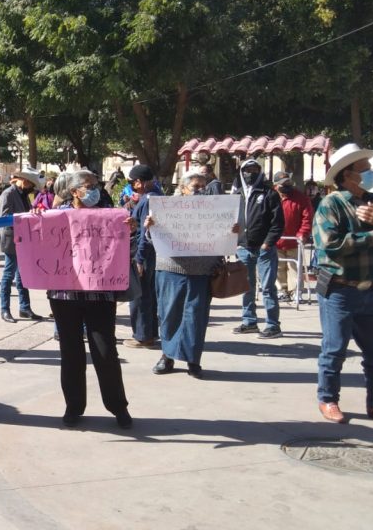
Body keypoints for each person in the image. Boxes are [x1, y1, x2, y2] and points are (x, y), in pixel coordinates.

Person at [312, 143, 373, 424]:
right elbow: (328, 246)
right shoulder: (332, 204)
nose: (368, 174)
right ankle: (328, 399)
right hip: (340, 289)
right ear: (347, 174)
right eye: (362, 170)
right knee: (335, 349)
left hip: (372, 289)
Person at [50, 170, 134, 429]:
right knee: (71, 352)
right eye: (89, 186)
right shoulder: (55, 217)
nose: (94, 190)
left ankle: (118, 407)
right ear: (74, 191)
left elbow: (122, 248)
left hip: (100, 293)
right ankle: (73, 407)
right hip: (64, 294)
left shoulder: (111, 215)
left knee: (105, 351)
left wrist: (131, 230)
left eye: (95, 185)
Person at [146, 172, 239, 378]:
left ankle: (192, 359)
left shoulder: (216, 210)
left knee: (195, 317)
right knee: (169, 315)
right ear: (183, 187)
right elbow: (153, 240)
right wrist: (150, 228)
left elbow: (225, 240)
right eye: (196, 186)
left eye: (204, 186)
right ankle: (167, 356)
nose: (200, 190)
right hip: (171, 270)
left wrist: (233, 232)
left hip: (202, 272)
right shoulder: (167, 208)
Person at [231, 159, 284, 338]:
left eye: (254, 169)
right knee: (246, 286)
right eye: (247, 169)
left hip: (264, 249)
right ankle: (249, 321)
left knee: (268, 287)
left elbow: (277, 223)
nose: (250, 172)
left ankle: (272, 324)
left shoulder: (269, 193)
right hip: (244, 247)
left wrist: (268, 243)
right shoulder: (237, 194)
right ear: (242, 171)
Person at [0, 168, 45, 323]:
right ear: (24, 180)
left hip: (22, 239)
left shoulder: (23, 195)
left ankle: (25, 307)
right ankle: (5, 309)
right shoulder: (9, 193)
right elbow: (4, 217)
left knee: (22, 275)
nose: (31, 188)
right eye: (31, 184)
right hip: (11, 240)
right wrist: (25, 219)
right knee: (8, 274)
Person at [123, 164, 160, 349]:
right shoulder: (156, 196)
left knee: (139, 295)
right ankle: (151, 333)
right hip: (152, 253)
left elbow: (147, 233)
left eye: (132, 182)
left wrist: (138, 258)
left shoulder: (148, 200)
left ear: (139, 182)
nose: (132, 185)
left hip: (144, 253)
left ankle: (142, 336)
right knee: (149, 294)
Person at [272, 171, 314, 302]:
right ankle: (281, 290)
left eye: (288, 183)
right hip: (276, 239)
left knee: (294, 267)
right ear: (276, 185)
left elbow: (307, 218)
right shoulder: (271, 197)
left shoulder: (300, 198)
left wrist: (303, 233)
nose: (287, 186)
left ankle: (295, 290)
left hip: (294, 240)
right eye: (283, 184)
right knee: (278, 267)